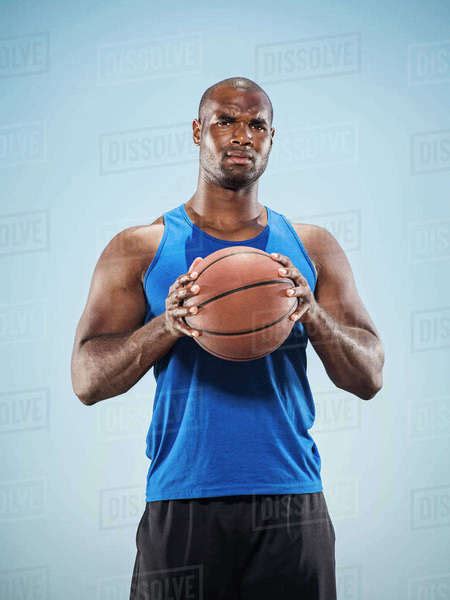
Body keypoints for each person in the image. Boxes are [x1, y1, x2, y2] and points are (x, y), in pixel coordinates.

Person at [71, 76, 384, 600]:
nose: (242, 135)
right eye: (226, 121)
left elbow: (370, 375)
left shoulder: (311, 248)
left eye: (256, 124)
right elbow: (86, 379)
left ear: (271, 138)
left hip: (292, 503)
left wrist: (311, 314)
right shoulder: (140, 247)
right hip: (182, 502)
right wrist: (167, 325)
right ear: (198, 131)